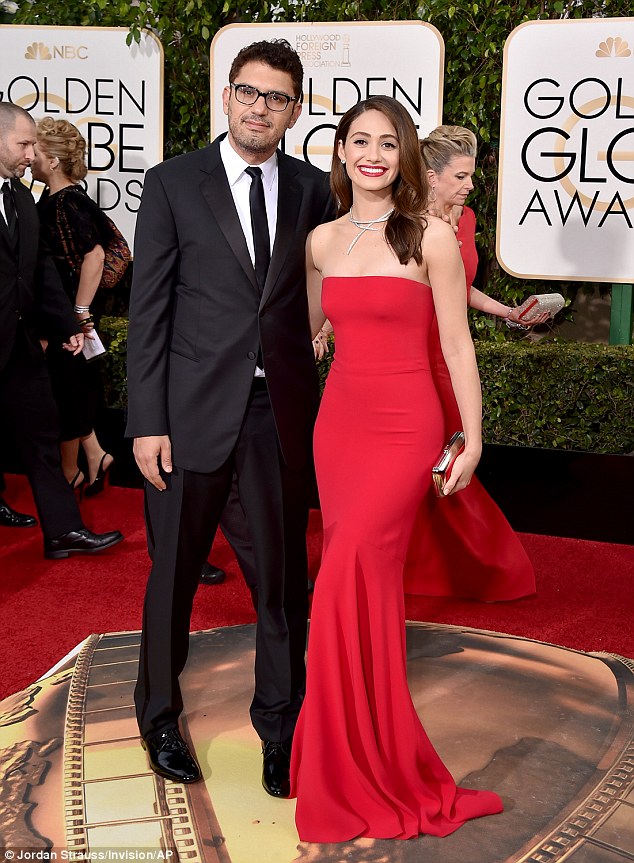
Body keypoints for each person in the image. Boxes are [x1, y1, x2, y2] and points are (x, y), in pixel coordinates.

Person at [289, 96, 503, 842]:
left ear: (403, 154)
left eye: (388, 142)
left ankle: (356, 761)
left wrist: (470, 437)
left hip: (403, 429)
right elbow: (308, 333)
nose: (372, 153)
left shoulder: (432, 238)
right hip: (337, 429)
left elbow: (457, 345)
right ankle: (353, 752)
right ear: (341, 151)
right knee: (358, 587)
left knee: (345, 572)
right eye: (359, 140)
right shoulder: (320, 241)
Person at [126, 39, 334, 792]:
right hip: (184, 416)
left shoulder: (314, 189)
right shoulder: (174, 182)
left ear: (294, 109)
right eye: (248, 92)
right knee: (173, 576)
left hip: (276, 413)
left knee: (281, 580)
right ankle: (158, 715)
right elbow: (148, 311)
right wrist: (146, 422)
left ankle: (280, 726)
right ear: (227, 96)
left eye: (276, 98)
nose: (259, 108)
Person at [401, 125, 544, 601]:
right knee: (414, 459)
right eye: (460, 176)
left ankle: (458, 566)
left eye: (470, 176)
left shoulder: (465, 220)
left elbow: (458, 290)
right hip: (408, 352)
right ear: (431, 176)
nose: (468, 185)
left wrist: (506, 311)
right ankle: (411, 564)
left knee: (447, 457)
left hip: (447, 353)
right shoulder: (399, 220)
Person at [0, 102, 123, 558]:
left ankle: (64, 532)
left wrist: (67, 323)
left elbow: (38, 272)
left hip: (21, 346)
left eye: (34, 145)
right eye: (23, 144)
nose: (31, 154)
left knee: (42, 429)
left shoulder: (19, 199)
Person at [31, 117, 116, 498]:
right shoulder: (51, 200)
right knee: (69, 389)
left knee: (64, 394)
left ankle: (72, 471)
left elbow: (95, 256)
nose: (30, 157)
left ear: (52, 160)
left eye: (36, 150)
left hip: (65, 316)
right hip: (58, 314)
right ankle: (93, 456)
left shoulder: (68, 202)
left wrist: (79, 312)